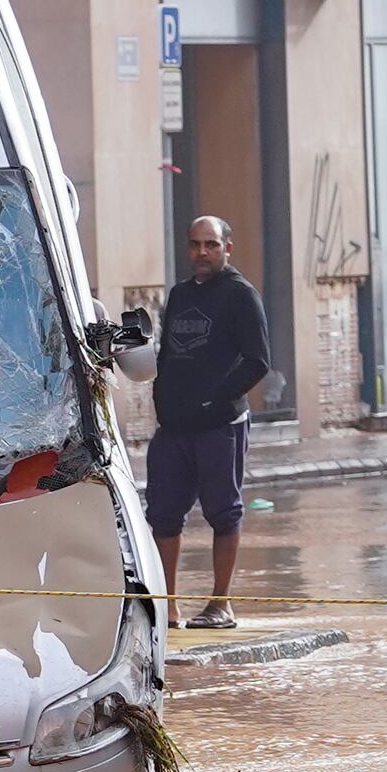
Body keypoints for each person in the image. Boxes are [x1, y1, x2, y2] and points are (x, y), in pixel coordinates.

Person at [120, 215, 271, 633]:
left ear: (227, 248)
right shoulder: (180, 294)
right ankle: (167, 608)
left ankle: (220, 604)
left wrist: (216, 398)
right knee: (163, 515)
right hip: (173, 428)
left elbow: (258, 361)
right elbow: (167, 354)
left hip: (220, 425)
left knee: (224, 513)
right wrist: (159, 393)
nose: (202, 252)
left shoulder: (242, 295)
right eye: (195, 245)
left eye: (211, 245)